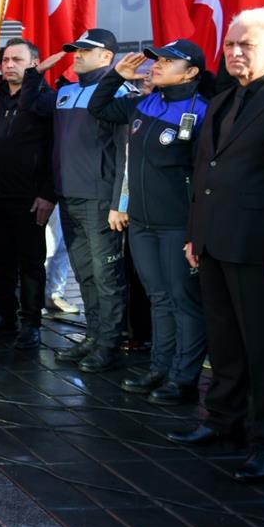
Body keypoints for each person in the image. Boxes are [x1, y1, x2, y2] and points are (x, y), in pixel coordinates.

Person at [172, 9, 264, 484]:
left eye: (247, 44)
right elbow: (205, 174)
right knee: (224, 343)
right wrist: (194, 235)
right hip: (216, 242)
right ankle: (222, 421)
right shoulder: (222, 101)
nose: (236, 52)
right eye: (230, 45)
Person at [88, 39, 211, 406]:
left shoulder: (203, 112)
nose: (155, 65)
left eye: (167, 62)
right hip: (142, 221)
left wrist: (197, 231)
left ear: (190, 72)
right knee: (158, 297)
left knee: (183, 300)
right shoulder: (144, 102)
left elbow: (204, 178)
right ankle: (160, 367)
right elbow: (100, 107)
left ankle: (183, 376)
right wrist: (115, 75)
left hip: (178, 225)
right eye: (156, 59)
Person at [39, 29, 132, 373]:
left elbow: (125, 152)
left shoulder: (119, 91)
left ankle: (110, 345)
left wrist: (119, 202)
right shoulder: (66, 92)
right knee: (85, 275)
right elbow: (36, 108)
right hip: (69, 196)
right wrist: (36, 73)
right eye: (75, 50)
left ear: (107, 57)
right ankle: (93, 337)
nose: (76, 55)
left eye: (84, 51)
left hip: (100, 200)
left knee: (106, 276)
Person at [0, 38, 55, 350]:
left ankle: (31, 321)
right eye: (5, 60)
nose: (8, 65)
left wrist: (48, 193)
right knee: (0, 260)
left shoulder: (45, 100)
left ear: (34, 63)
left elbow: (54, 151)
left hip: (30, 196)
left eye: (17, 60)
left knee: (31, 263)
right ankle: (5, 316)